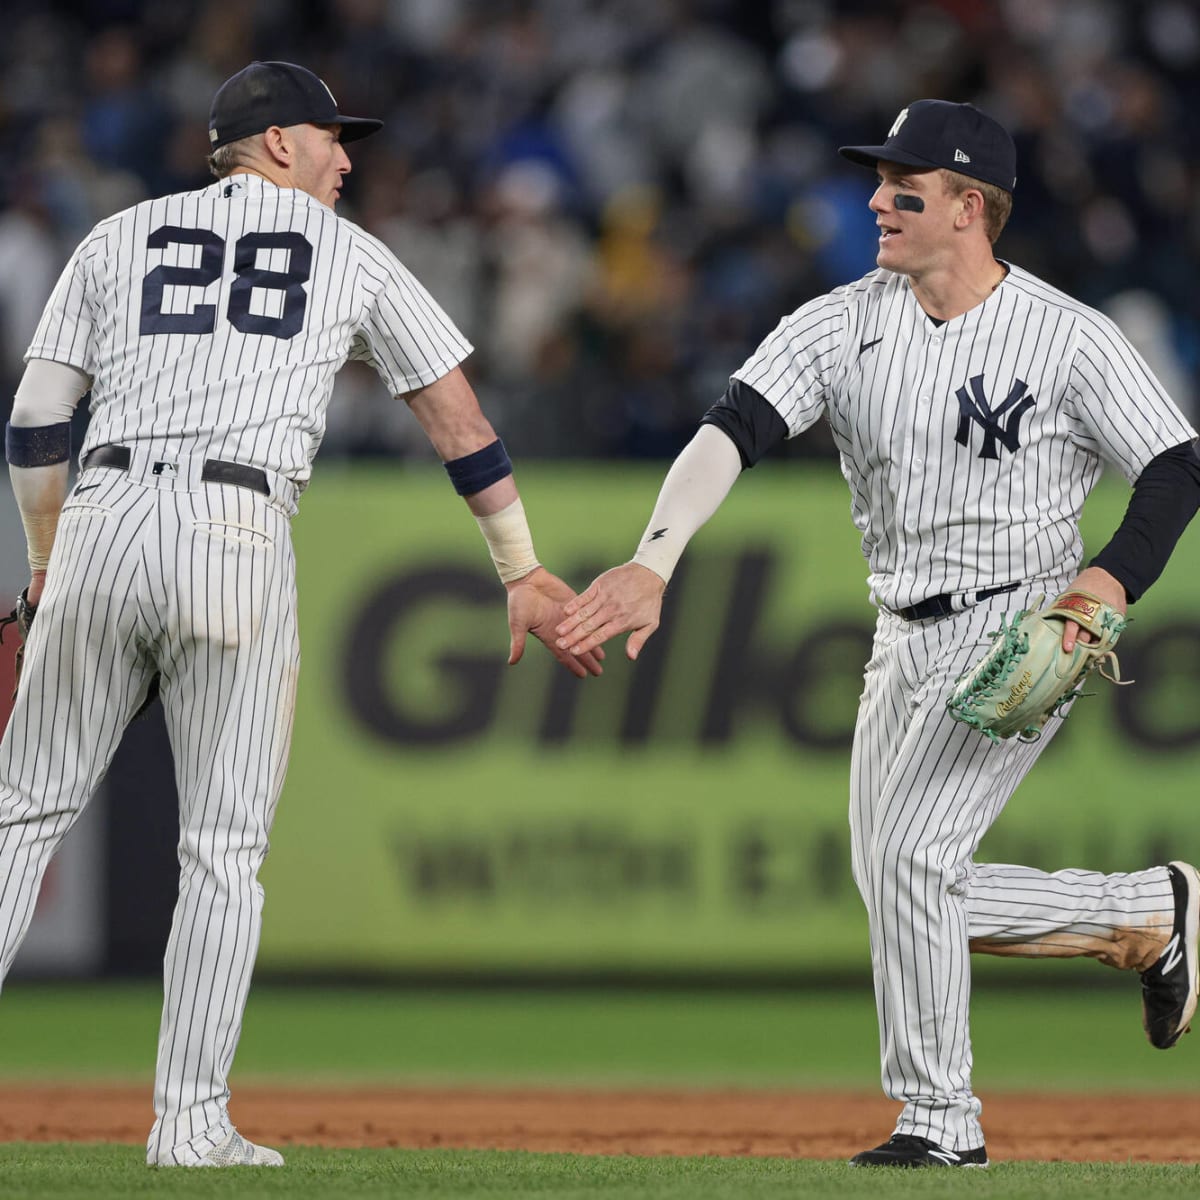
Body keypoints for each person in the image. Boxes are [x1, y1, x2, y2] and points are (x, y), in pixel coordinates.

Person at [554, 99, 1200, 1168]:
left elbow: (1177, 466)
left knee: (912, 862)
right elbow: (732, 432)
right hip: (897, 632)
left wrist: (1106, 585)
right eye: (880, 181)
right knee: (899, 882)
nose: (876, 201)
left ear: (970, 209)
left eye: (905, 187)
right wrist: (653, 559)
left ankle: (941, 1124)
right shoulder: (840, 321)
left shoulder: (1069, 335)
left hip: (1021, 621)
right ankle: (1146, 913)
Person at [0, 60, 601, 1168]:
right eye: (331, 137)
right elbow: (458, 418)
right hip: (236, 526)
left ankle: (190, 1119)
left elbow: (37, 420)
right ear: (277, 144)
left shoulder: (114, 235)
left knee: (20, 813)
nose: (346, 156)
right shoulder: (353, 253)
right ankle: (188, 1125)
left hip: (100, 512)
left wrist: (46, 568)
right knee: (222, 850)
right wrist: (517, 564)